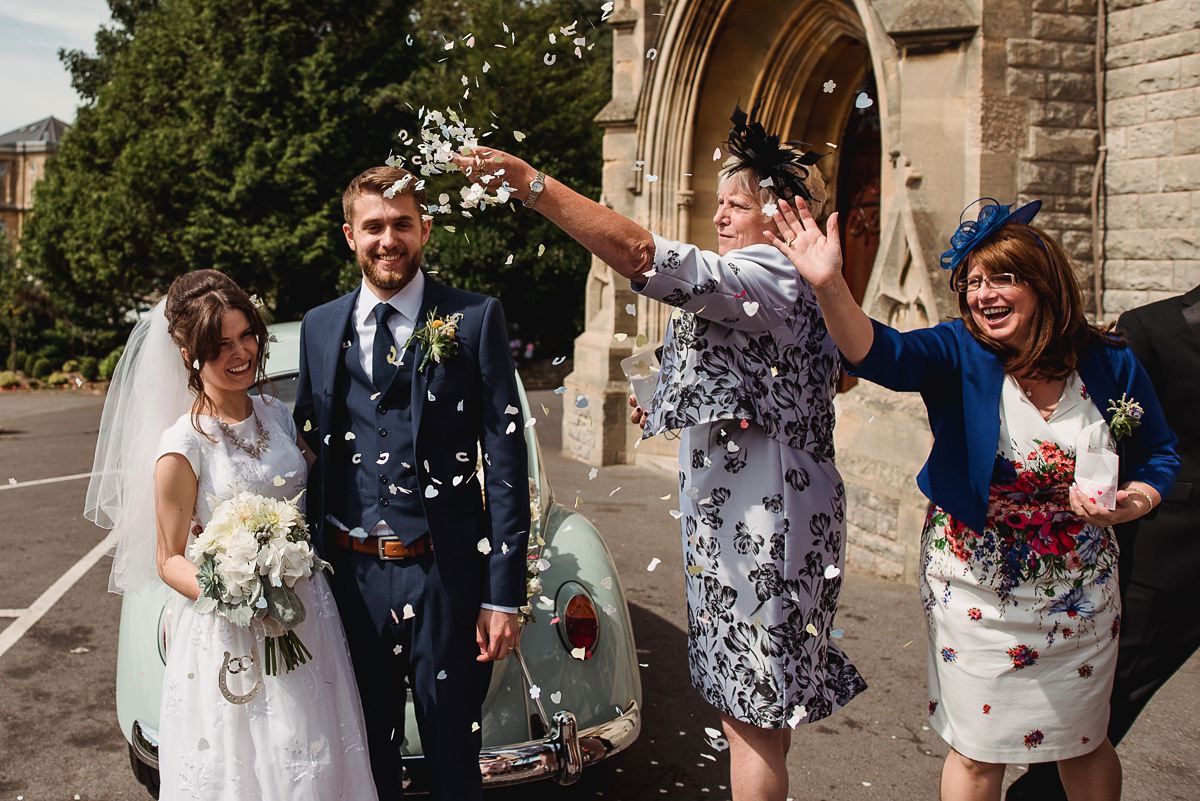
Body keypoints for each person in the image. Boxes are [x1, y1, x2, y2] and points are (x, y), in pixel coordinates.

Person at [452, 103, 867, 801]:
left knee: (751, 721)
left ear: (784, 215)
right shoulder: (792, 281)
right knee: (758, 713)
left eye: (738, 205)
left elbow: (642, 255)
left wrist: (529, 182)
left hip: (764, 531)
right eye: (721, 202)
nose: (721, 216)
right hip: (760, 521)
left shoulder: (770, 270)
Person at [768, 197, 1180, 801]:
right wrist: (829, 285)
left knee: (1085, 741)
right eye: (972, 283)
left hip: (1081, 591)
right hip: (973, 586)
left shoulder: (1110, 361)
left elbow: (1158, 452)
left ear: (1044, 285)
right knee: (979, 749)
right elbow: (880, 354)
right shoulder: (958, 352)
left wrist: (1137, 499)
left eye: (1003, 278)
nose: (983, 294)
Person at [86, 269, 378, 800]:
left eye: (247, 336)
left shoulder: (276, 414)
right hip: (232, 627)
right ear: (189, 354)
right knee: (251, 762)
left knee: (312, 751)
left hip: (306, 613)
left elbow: (327, 485)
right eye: (221, 345)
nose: (241, 353)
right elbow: (169, 558)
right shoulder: (183, 445)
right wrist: (239, 595)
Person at [293, 166, 530, 800]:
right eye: (374, 226)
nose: (388, 239)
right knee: (362, 753)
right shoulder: (319, 327)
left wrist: (502, 595)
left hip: (445, 578)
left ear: (425, 229)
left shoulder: (475, 318)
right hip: (348, 578)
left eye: (402, 224)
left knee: (454, 753)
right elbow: (303, 448)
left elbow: (507, 466)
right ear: (350, 235)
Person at [1005, 284, 1200, 801]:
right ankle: (1042, 792)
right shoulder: (1151, 327)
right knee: (1110, 696)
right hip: (1174, 553)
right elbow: (1124, 440)